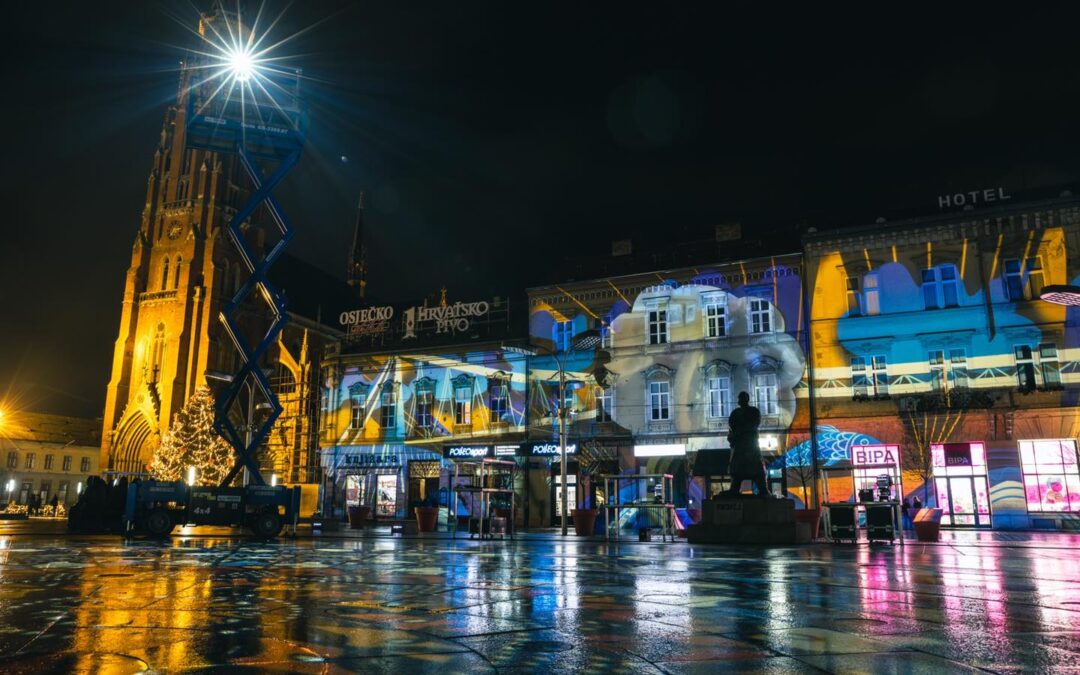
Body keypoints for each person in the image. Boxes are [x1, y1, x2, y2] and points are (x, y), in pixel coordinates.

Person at [726, 391, 769, 498]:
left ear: (747, 399)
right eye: (740, 398)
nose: (741, 401)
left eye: (743, 398)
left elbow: (754, 424)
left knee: (757, 467)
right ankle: (734, 488)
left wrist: (741, 431)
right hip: (740, 444)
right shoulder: (735, 413)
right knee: (736, 468)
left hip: (750, 443)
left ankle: (763, 489)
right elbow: (731, 425)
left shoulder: (754, 411)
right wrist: (733, 436)